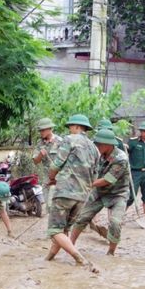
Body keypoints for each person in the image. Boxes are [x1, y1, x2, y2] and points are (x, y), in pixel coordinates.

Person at [45, 114, 100, 271]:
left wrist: (52, 178)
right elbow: (96, 174)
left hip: (65, 192)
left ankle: (80, 258)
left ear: (76, 127)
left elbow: (56, 164)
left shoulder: (69, 140)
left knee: (55, 230)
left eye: (70, 126)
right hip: (83, 196)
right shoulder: (94, 148)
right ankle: (49, 258)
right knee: (63, 231)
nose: (69, 129)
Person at [70, 129, 131, 256]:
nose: (96, 146)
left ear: (108, 145)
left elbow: (108, 180)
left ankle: (111, 252)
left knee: (115, 222)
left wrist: (87, 183)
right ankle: (70, 246)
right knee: (81, 217)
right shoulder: (97, 155)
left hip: (118, 194)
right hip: (99, 192)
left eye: (98, 144)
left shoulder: (121, 159)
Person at [32, 117, 63, 210]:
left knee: (57, 204)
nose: (41, 132)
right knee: (47, 205)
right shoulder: (40, 143)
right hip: (47, 178)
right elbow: (35, 161)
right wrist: (40, 155)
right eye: (40, 130)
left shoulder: (60, 141)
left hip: (59, 177)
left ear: (50, 129)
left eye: (43, 130)